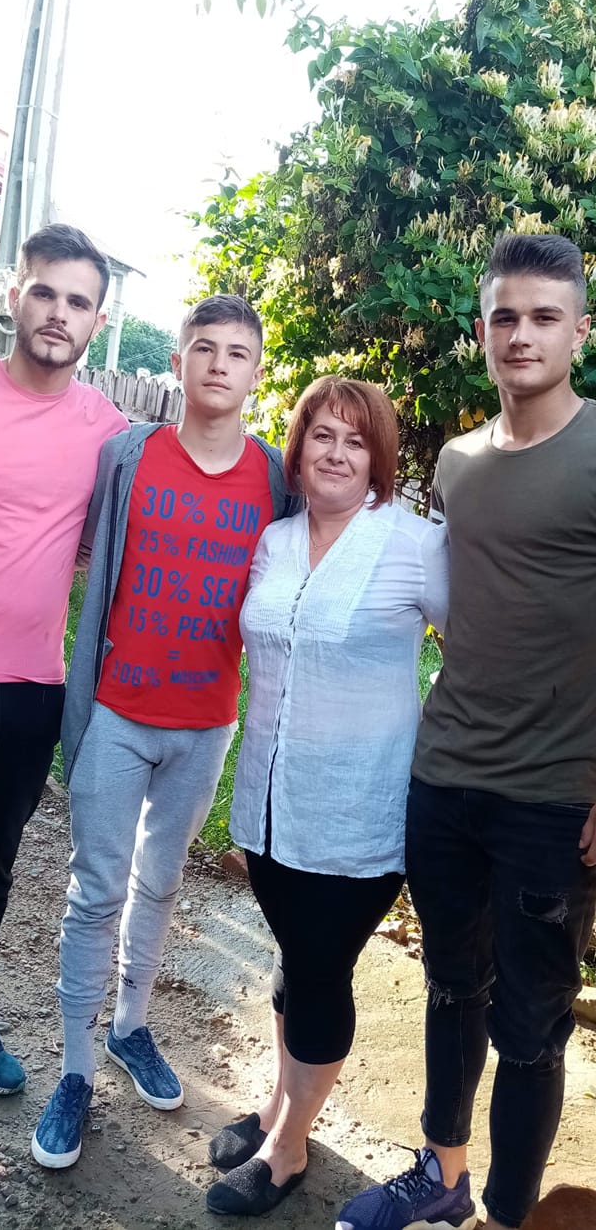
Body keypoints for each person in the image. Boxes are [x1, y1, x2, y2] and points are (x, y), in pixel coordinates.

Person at [337, 233, 596, 1230]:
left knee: (531, 1029)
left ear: (579, 330)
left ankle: (505, 1213)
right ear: (481, 330)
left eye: (543, 316)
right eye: (504, 316)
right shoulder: (458, 461)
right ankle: (440, 1174)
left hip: (552, 796)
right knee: (451, 987)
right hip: (444, 777)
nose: (521, 333)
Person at [32, 294, 296, 1169]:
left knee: (160, 883)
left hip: (205, 723)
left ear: (256, 372)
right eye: (204, 348)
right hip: (116, 711)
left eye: (238, 353)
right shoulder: (128, 456)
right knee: (94, 890)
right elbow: (80, 555)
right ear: (178, 363)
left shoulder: (275, 477)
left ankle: (131, 1025)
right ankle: (75, 1070)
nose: (220, 363)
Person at [206, 376, 449, 1217]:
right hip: (271, 807)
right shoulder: (274, 541)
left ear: (378, 458)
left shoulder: (415, 544)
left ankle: (289, 1147)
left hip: (359, 814)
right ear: (299, 447)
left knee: (318, 971)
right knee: (291, 960)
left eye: (356, 439)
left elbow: (481, 647)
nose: (338, 452)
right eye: (322, 435)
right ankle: (280, 1102)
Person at [0, 224, 128, 1097]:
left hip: (30, 688)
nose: (60, 313)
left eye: (79, 301)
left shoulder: (109, 431)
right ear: (15, 295)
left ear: (97, 320)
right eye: (46, 292)